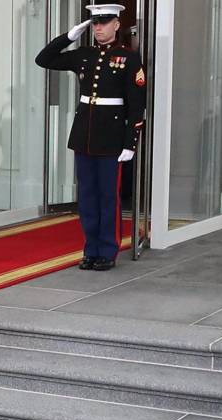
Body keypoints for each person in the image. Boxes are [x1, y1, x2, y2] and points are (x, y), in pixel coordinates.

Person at [36, 3, 145, 271]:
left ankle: (108, 250)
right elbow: (44, 59)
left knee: (108, 196)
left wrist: (131, 142)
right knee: (87, 197)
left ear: (117, 24)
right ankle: (90, 248)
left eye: (104, 22)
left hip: (112, 139)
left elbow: (136, 103)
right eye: (94, 23)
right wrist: (69, 36)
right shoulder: (84, 54)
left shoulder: (128, 58)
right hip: (84, 136)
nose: (98, 28)